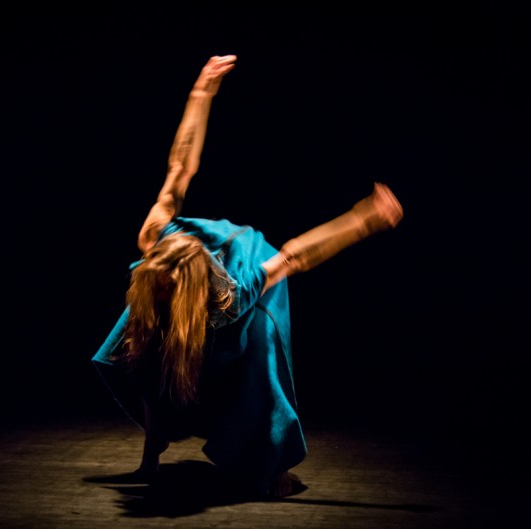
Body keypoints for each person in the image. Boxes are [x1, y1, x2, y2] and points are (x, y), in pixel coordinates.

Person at [92, 54, 404, 498]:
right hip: (184, 252)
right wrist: (201, 93)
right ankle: (153, 445)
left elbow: (295, 256)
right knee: (140, 345)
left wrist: (363, 220)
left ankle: (271, 461)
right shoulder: (154, 237)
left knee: (261, 353)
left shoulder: (232, 295)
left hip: (241, 265)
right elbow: (180, 170)